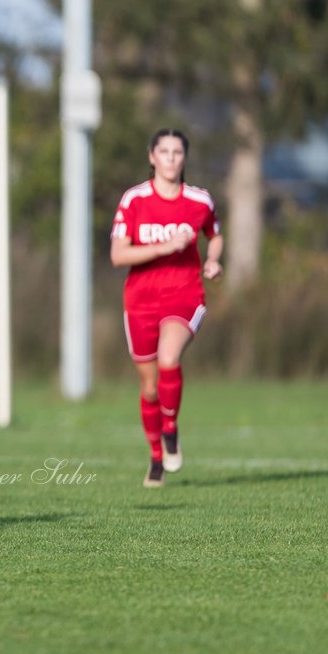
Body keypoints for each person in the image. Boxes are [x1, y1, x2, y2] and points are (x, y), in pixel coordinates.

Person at [110, 129, 223, 487]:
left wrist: (213, 261)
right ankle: (156, 457)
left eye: (177, 152)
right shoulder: (135, 200)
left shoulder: (199, 201)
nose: (171, 158)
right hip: (141, 299)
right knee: (149, 386)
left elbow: (214, 235)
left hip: (183, 294)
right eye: (164, 151)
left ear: (184, 158)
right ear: (151, 157)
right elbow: (118, 254)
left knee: (169, 358)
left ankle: (170, 428)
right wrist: (164, 247)